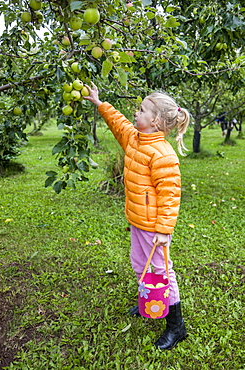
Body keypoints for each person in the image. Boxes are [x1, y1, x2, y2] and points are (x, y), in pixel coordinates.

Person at [83, 82, 190, 350]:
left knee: (162, 271)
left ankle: (176, 327)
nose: (135, 112)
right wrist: (99, 103)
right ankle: (149, 300)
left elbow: (170, 196)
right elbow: (118, 123)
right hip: (137, 221)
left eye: (141, 110)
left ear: (154, 121)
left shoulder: (163, 155)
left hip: (155, 228)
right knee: (139, 263)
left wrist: (165, 231)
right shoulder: (135, 139)